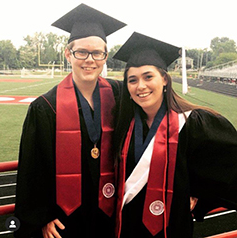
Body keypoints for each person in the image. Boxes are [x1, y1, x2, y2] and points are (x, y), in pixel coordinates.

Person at [14, 4, 126, 238]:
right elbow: (32, 170)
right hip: (65, 222)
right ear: (68, 54)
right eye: (82, 52)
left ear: (105, 56)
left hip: (111, 215)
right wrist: (42, 217)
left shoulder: (120, 95)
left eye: (98, 53)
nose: (90, 60)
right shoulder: (45, 107)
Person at [113, 32, 237, 238]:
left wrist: (200, 197)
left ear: (164, 79)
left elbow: (229, 167)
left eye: (148, 76)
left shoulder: (194, 123)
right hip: (125, 228)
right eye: (132, 80)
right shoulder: (124, 125)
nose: (140, 86)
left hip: (172, 228)